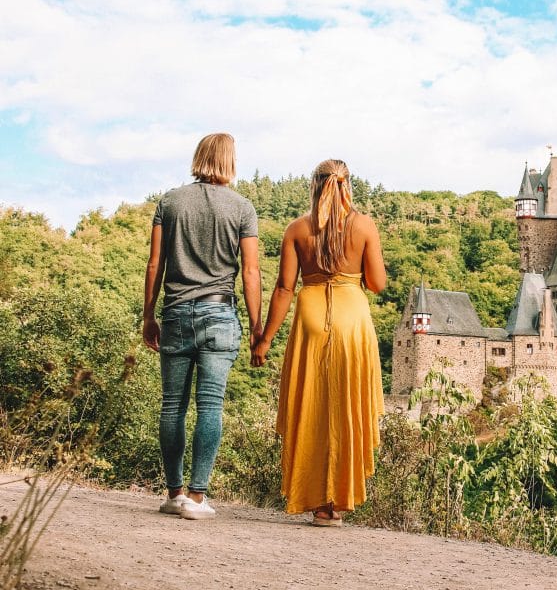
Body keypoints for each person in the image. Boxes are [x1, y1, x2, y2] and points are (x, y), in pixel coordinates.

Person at [251, 159, 386, 526]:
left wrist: (263, 341)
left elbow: (283, 289)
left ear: (314, 185)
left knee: (311, 405)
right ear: (348, 187)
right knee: (346, 405)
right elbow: (376, 284)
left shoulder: (297, 229)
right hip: (352, 320)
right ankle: (336, 503)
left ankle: (314, 500)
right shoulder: (364, 226)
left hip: (309, 317)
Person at [143, 133, 262, 520]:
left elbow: (154, 264)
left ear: (199, 157)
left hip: (176, 313)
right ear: (230, 161)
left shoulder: (170, 202)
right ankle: (196, 498)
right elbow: (251, 271)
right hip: (219, 314)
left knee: (172, 405)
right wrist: (257, 325)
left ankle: (174, 492)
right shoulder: (242, 208)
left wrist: (148, 315)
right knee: (210, 404)